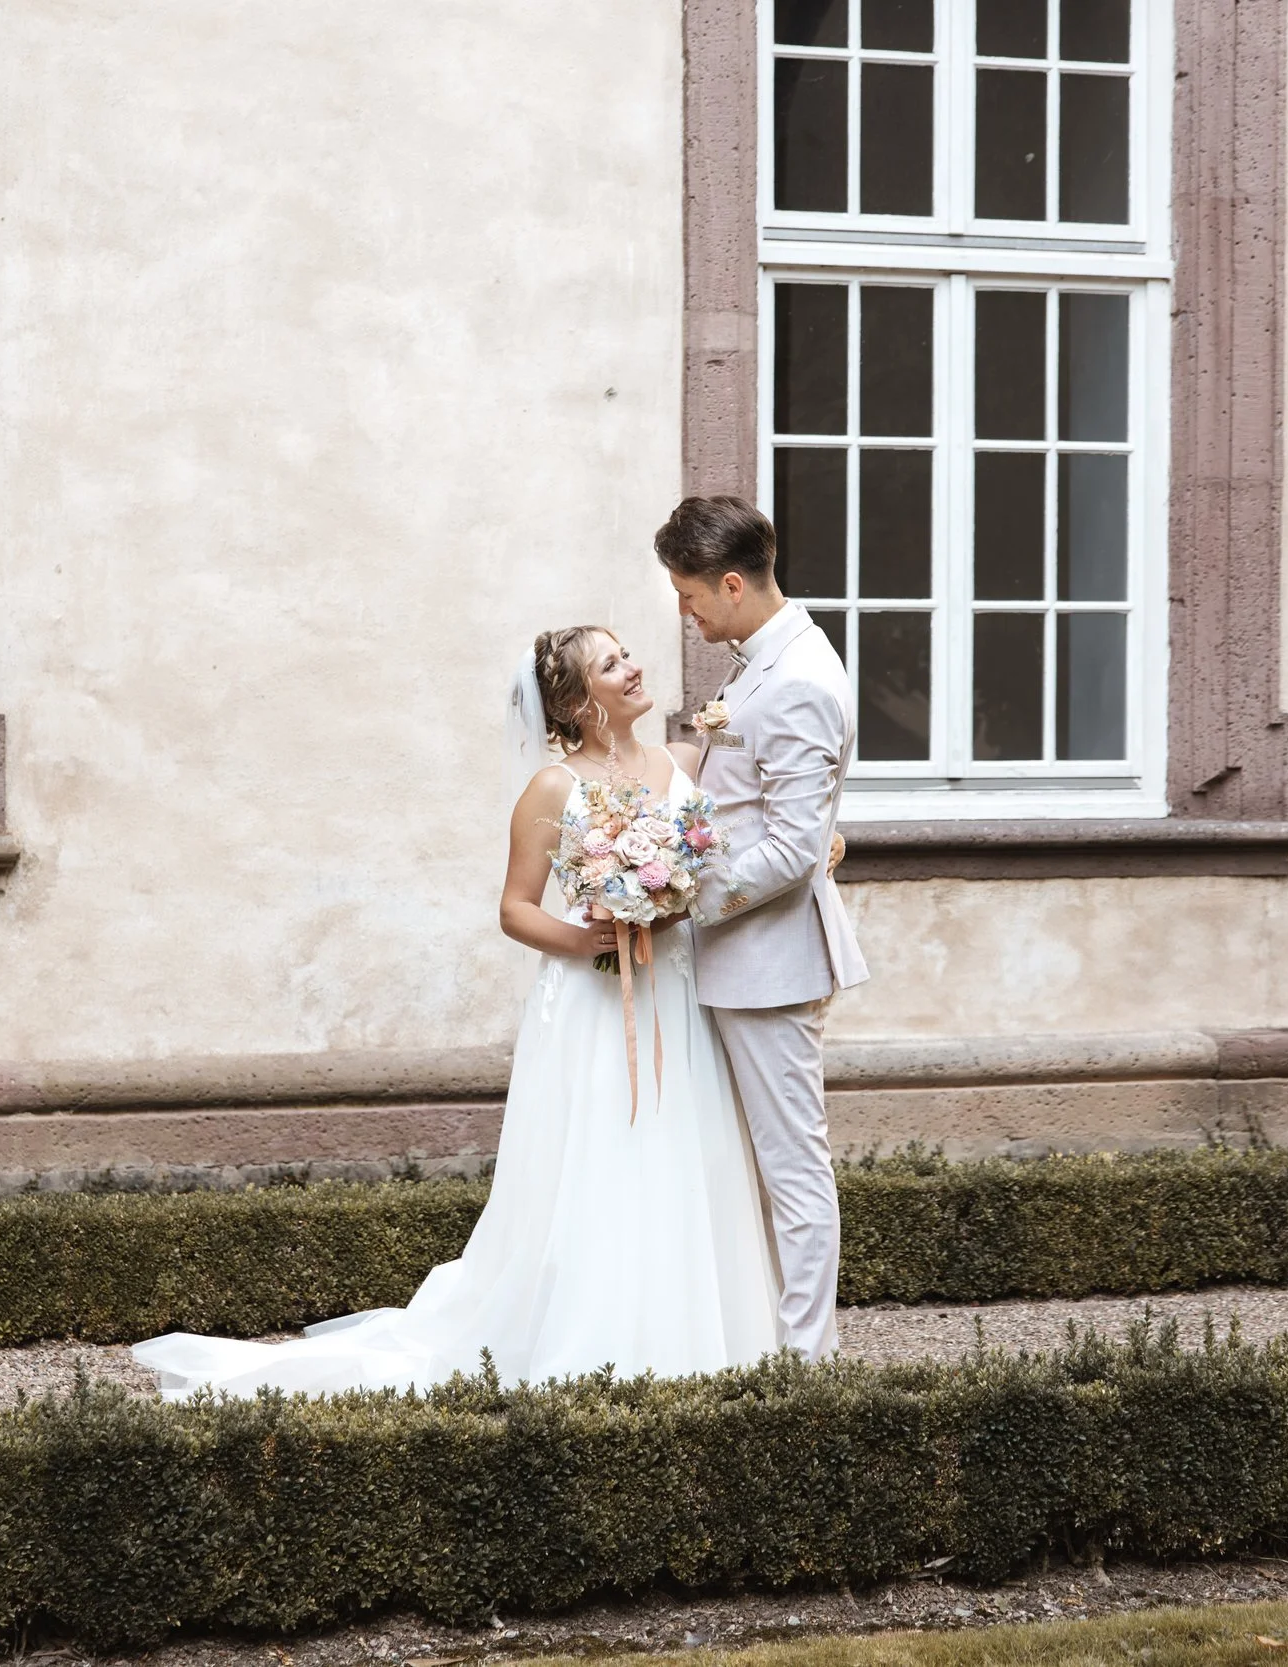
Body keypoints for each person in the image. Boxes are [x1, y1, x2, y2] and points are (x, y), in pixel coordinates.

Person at [133, 625, 783, 1398]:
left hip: (673, 990)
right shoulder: (553, 789)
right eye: (611, 664)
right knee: (606, 1162)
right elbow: (514, 908)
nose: (635, 666)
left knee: (688, 1151)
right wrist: (592, 936)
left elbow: (722, 861)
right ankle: (600, 1342)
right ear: (576, 702)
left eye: (627, 652)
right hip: (596, 1003)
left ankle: (705, 1338)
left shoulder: (683, 763)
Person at [655, 494, 869, 1362]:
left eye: (688, 593)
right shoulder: (758, 660)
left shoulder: (802, 680)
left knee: (791, 1165)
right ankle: (754, 1334)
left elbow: (791, 848)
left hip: (770, 962)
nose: (684, 609)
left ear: (732, 584)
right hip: (734, 959)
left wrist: (680, 898)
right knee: (745, 1161)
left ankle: (807, 1358)